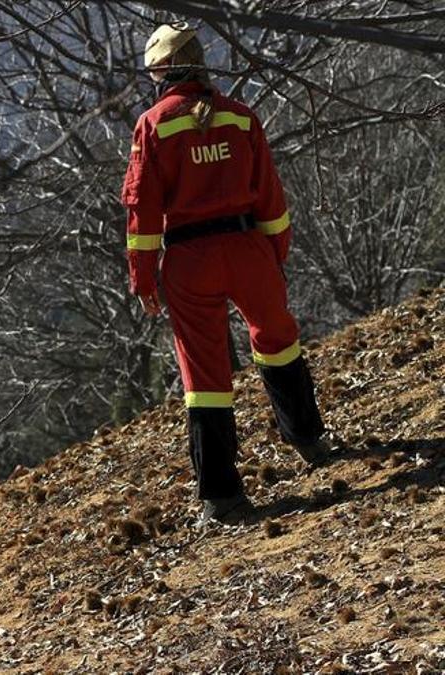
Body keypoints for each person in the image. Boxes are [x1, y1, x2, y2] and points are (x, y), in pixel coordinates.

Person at [120, 22, 330, 525]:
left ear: (162, 73)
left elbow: (142, 211)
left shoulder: (152, 125)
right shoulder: (240, 117)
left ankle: (222, 497)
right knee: (278, 338)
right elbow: (270, 197)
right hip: (247, 246)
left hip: (189, 260)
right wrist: (274, 253)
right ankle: (309, 439)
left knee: (205, 374)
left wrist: (144, 278)